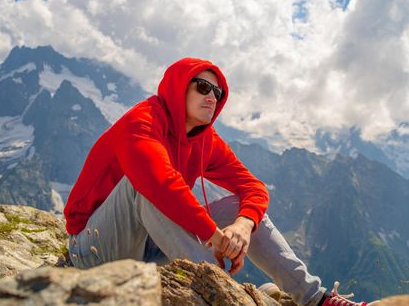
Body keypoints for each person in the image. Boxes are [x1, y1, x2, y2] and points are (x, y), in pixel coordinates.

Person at [64, 57, 371, 306]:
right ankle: (220, 296)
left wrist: (242, 226)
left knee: (241, 206)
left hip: (149, 249)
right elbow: (161, 186)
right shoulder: (140, 124)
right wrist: (213, 234)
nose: (212, 96)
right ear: (178, 88)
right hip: (94, 250)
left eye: (218, 92)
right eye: (202, 87)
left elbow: (252, 187)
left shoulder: (204, 139)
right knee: (141, 188)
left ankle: (316, 299)